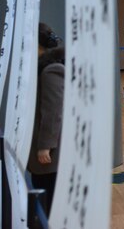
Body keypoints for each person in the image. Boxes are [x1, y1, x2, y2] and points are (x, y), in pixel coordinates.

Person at [28, 23, 65, 215]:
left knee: (48, 201)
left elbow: (53, 111)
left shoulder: (51, 69)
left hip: (51, 151)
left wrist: (45, 145)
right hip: (44, 147)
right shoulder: (41, 67)